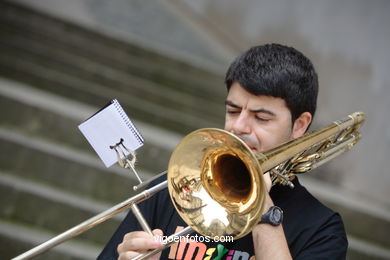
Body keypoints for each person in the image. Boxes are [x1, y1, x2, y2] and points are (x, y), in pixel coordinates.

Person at [98, 43, 348, 260]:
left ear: (300, 125)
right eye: (232, 111)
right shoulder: (175, 188)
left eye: (261, 118)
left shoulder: (321, 229)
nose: (238, 127)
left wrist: (262, 208)